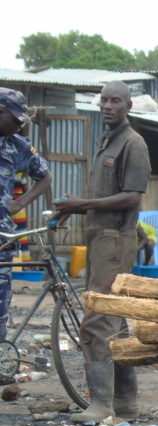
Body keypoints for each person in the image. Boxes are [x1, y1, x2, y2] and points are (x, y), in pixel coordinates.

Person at [54, 81, 149, 423]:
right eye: (104, 100)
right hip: (101, 240)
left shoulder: (133, 143)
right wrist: (75, 208)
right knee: (115, 322)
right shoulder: (107, 141)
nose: (108, 106)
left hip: (115, 240)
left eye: (116, 101)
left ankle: (100, 406)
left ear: (129, 106)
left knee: (96, 320)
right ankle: (125, 404)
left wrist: (84, 204)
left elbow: (132, 196)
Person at [0, 87, 51, 341]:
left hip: (3, 240)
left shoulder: (17, 146)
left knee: (1, 306)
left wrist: (20, 204)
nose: (20, 125)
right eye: (16, 119)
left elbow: (45, 176)